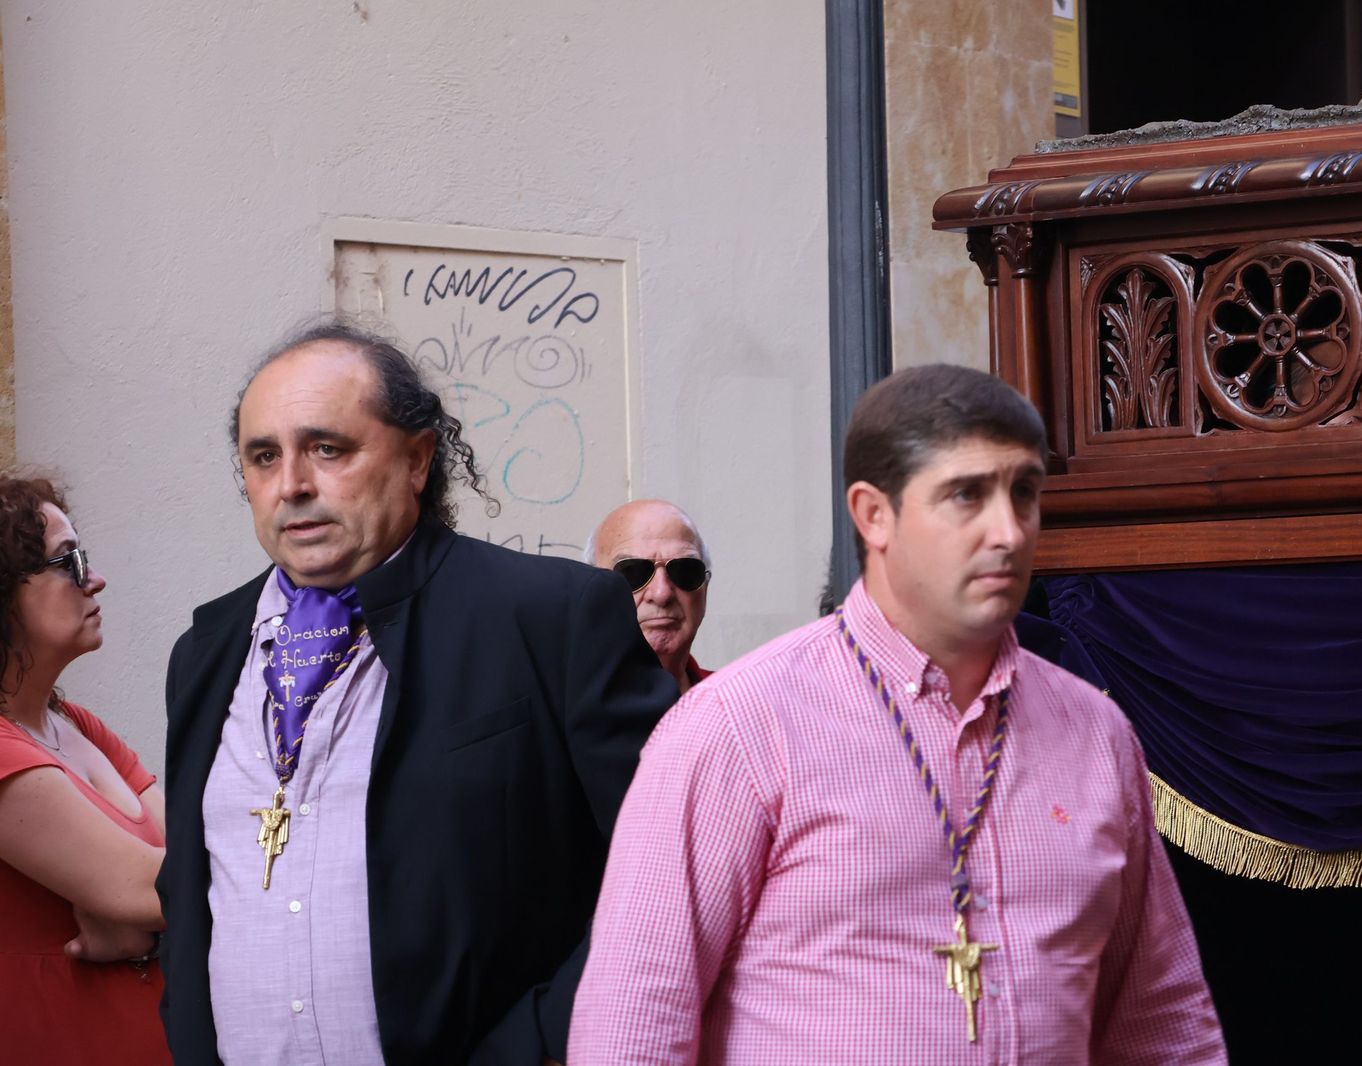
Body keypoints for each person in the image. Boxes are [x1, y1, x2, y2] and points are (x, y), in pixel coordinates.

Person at [569, 364, 1227, 1064]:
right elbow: (633, 1026)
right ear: (873, 514)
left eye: (1025, 493)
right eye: (966, 496)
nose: (1007, 530)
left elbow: (1162, 1023)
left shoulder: (1098, 734)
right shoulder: (737, 726)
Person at [157, 322, 677, 1066]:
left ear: (418, 459)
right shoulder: (205, 652)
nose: (292, 485)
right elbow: (191, 887)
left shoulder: (550, 617)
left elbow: (668, 873)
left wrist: (537, 1044)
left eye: (327, 448)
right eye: (263, 457)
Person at [0, 476, 170, 1065]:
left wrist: (138, 931)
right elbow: (155, 887)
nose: (93, 579)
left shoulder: (77, 724)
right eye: (67, 561)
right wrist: (147, 916)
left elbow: (189, 865)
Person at [587, 500, 713, 692]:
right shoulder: (555, 712)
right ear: (591, 592)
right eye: (632, 572)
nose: (662, 594)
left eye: (684, 571)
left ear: (705, 586)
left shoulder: (739, 704)